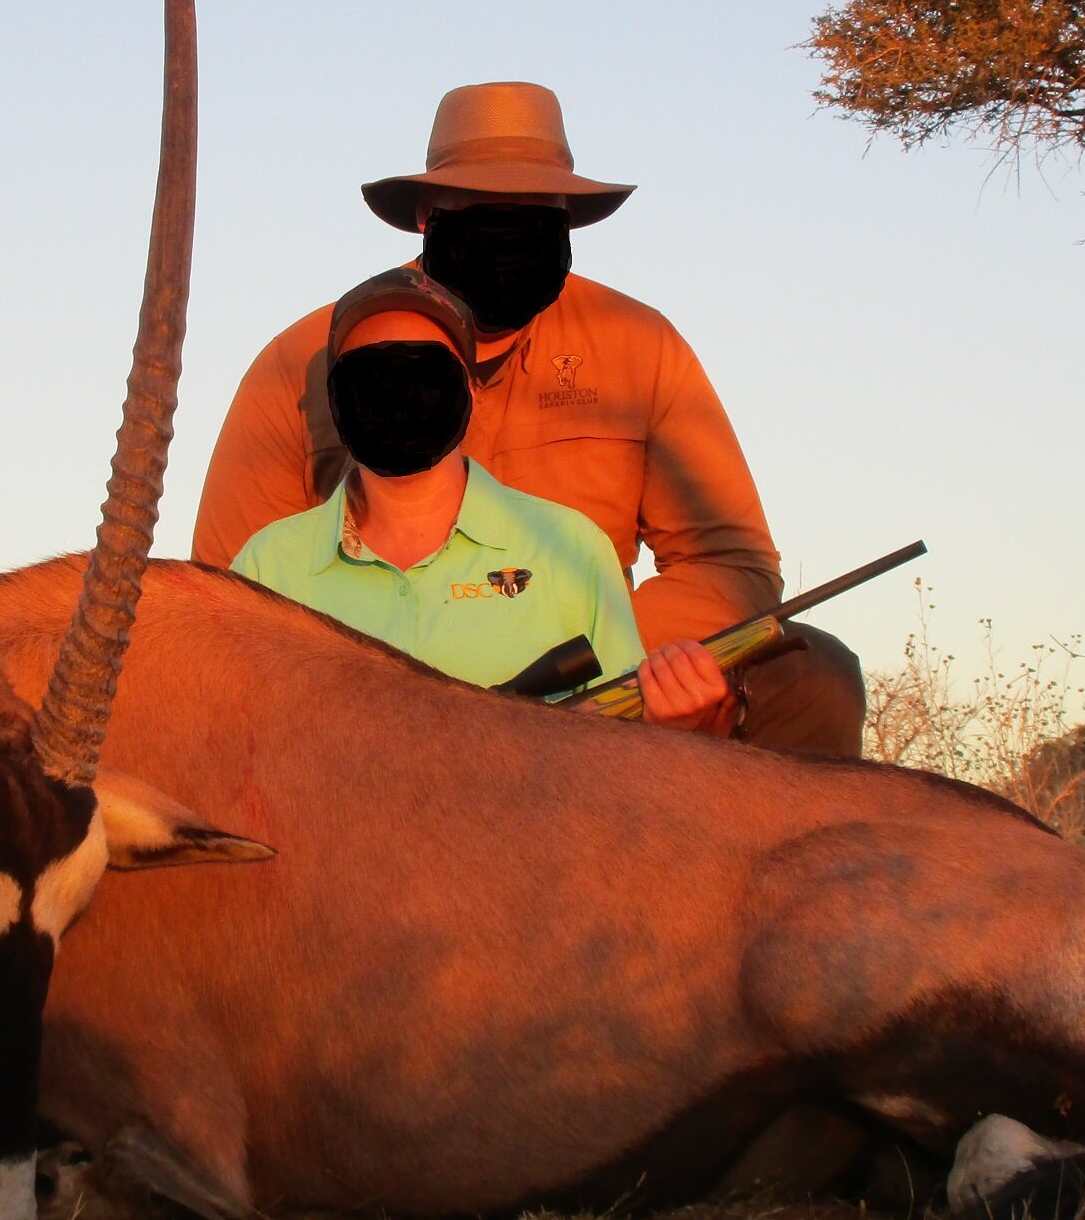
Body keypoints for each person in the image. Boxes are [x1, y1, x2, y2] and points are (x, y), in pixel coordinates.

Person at [195, 80, 865, 757]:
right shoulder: (304, 361)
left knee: (816, 678)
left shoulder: (640, 345)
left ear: (567, 219)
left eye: (535, 211)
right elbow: (223, 593)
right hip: (363, 706)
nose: (508, 235)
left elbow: (734, 561)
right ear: (428, 214)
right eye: (482, 208)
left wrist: (589, 646)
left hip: (587, 693)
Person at [230, 268, 737, 734]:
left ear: (470, 391)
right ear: (336, 399)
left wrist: (683, 724)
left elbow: (625, 756)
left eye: (426, 370)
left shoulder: (572, 547)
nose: (399, 391)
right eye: (370, 373)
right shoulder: (265, 567)